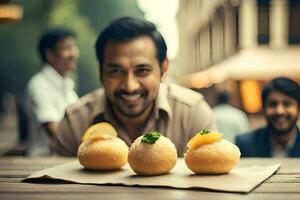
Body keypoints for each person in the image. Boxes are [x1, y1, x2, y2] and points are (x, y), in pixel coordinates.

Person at [52, 17, 217, 157]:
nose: (130, 86)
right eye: (116, 71)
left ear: (164, 69)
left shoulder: (193, 113)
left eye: (143, 71)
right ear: (101, 72)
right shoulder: (75, 122)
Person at [26, 28, 80, 156]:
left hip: (63, 159)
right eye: (67, 48)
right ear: (50, 55)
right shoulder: (39, 85)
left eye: (74, 47)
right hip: (42, 163)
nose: (74, 53)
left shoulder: (67, 87)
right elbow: (55, 132)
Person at [236, 77, 300, 157]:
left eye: (287, 104)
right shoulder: (245, 144)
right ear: (264, 109)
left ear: (298, 109)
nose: (279, 111)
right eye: (273, 104)